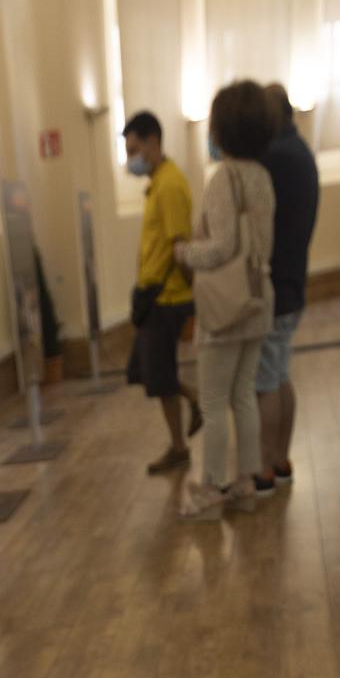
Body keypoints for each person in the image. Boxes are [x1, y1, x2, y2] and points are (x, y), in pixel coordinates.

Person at [173, 81, 274, 518]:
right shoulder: (263, 177)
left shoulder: (223, 179)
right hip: (256, 297)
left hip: (224, 306)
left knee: (213, 401)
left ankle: (213, 488)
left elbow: (221, 248)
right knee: (243, 395)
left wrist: (182, 251)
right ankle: (246, 482)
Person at [122, 109, 201, 473]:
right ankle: (190, 405)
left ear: (153, 143)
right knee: (144, 371)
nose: (130, 159)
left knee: (158, 375)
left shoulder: (169, 184)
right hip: (154, 295)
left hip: (166, 298)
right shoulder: (158, 182)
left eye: (134, 150)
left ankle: (179, 446)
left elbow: (179, 246)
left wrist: (192, 294)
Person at [257, 83, 319, 487]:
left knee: (264, 383)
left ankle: (265, 466)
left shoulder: (274, 158)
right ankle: (281, 460)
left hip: (274, 287)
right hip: (294, 283)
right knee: (280, 375)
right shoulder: (302, 153)